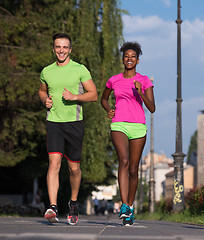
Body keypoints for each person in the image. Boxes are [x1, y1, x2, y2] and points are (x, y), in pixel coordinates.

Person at [39, 33, 98, 225]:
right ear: (53, 48)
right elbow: (42, 90)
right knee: (53, 163)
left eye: (65, 47)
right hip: (54, 122)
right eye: (58, 47)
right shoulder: (46, 71)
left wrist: (74, 97)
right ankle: (53, 207)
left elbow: (94, 95)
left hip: (74, 123)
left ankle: (73, 203)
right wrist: (44, 99)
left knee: (74, 168)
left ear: (70, 50)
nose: (61, 50)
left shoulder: (80, 69)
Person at [101, 41, 155, 226]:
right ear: (123, 59)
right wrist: (108, 109)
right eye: (126, 56)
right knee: (123, 160)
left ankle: (130, 207)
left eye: (133, 57)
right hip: (119, 125)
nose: (129, 59)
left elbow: (152, 108)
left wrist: (141, 92)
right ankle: (124, 205)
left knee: (133, 169)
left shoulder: (145, 80)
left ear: (138, 60)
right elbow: (103, 98)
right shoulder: (114, 80)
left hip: (138, 126)